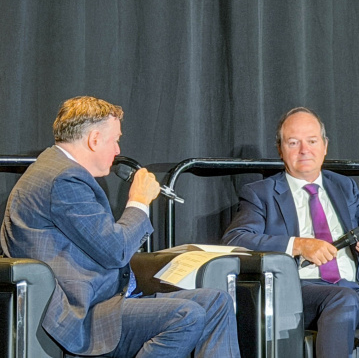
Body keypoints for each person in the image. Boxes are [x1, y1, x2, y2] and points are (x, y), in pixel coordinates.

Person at [0, 96, 239, 357]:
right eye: (115, 139)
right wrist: (138, 201)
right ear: (94, 139)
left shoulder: (58, 169)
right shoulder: (63, 179)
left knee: (217, 302)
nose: (117, 150)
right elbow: (115, 250)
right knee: (186, 315)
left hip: (108, 301)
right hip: (85, 315)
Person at [222, 107, 359, 358]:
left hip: (356, 291)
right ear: (280, 149)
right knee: (342, 298)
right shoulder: (261, 193)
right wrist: (298, 245)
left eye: (312, 141)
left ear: (325, 146)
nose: (304, 150)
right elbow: (236, 239)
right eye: (293, 142)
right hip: (301, 291)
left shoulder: (343, 187)